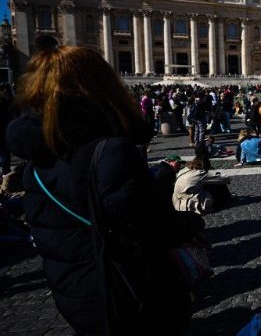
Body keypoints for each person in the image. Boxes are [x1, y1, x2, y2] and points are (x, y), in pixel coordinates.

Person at [7, 44, 203, 335]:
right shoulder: (109, 150)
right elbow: (151, 226)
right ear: (101, 84)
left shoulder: (37, 154)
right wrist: (193, 223)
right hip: (126, 291)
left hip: (73, 289)